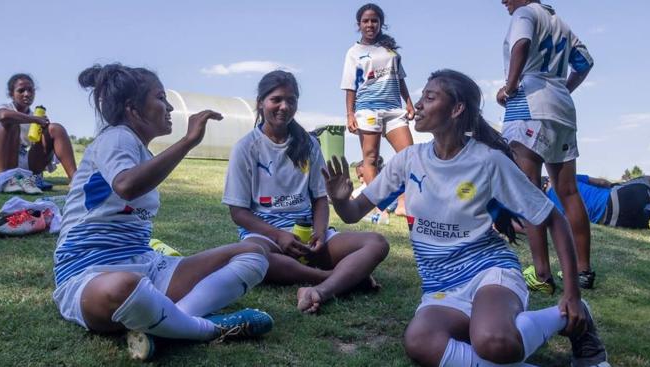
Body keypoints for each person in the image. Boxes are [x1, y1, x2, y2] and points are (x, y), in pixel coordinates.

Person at [323, 70, 609, 367]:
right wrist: (341, 200)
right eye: (421, 97)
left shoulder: (487, 161)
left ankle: (569, 318)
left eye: (430, 97)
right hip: (441, 287)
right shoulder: (408, 160)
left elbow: (554, 220)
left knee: (493, 341)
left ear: (457, 109)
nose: (418, 105)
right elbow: (353, 214)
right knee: (420, 342)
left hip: (489, 273)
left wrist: (572, 294)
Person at [53, 63, 273, 361]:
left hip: (147, 266)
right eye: (160, 98)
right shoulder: (116, 136)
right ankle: (206, 329)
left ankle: (170, 322)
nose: (169, 106)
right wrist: (187, 142)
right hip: (90, 273)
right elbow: (126, 185)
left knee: (252, 252)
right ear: (133, 109)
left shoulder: (142, 151)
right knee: (123, 286)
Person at [223, 70, 389, 314]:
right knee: (251, 257)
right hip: (267, 238)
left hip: (309, 239)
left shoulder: (308, 143)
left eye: (291, 100)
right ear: (260, 103)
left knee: (377, 243)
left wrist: (320, 233)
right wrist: (279, 236)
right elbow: (238, 212)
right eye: (276, 99)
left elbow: (320, 199)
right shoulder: (246, 147)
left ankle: (326, 277)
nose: (284, 106)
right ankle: (334, 277)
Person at [496, 0, 596, 290]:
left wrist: (510, 86)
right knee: (568, 191)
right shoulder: (560, 22)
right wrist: (563, 89)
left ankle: (542, 274)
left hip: (528, 105)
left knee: (527, 190)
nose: (503, 1)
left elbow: (521, 45)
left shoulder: (525, 14)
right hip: (562, 108)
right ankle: (583, 271)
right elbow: (585, 62)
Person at [341, 3, 414, 216]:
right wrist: (350, 114)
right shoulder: (353, 52)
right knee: (370, 158)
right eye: (365, 21)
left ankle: (403, 204)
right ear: (359, 25)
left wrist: (408, 102)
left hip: (393, 109)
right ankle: (377, 207)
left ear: (380, 23)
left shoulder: (389, 49)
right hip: (367, 110)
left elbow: (400, 78)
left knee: (408, 157)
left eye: (374, 20)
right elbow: (350, 85)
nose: (370, 24)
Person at [0, 73, 77, 193]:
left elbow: (39, 145)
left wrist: (45, 130)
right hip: (2, 162)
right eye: (21, 91)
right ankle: (7, 179)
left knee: (55, 128)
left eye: (30, 90)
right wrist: (36, 120)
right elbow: (3, 116)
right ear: (12, 94)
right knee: (10, 123)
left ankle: (76, 179)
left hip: (25, 162)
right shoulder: (5, 108)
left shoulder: (36, 116)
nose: (27, 94)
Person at [544, 175, 650, 229]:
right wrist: (618, 186)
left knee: (648, 214)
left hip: (611, 220)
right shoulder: (564, 177)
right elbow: (601, 183)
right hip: (613, 199)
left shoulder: (548, 206)